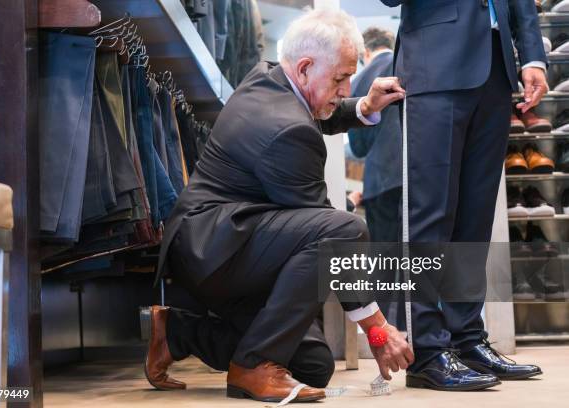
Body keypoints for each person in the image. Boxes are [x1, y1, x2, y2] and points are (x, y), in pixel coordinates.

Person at [146, 9, 412, 403]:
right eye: (341, 79)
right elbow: (333, 241)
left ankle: (178, 333)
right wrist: (377, 328)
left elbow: (315, 107)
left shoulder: (270, 77)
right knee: (344, 228)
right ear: (305, 67)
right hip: (212, 252)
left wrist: (363, 107)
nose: (346, 88)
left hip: (226, 244)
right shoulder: (288, 130)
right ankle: (252, 368)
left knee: (312, 364)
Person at [380, 0, 547, 391]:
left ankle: (466, 338)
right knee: (429, 212)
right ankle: (424, 348)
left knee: (475, 216)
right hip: (435, 63)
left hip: (495, 66)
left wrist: (533, 56)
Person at [347, 27, 404, 329]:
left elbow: (357, 146)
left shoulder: (361, 79)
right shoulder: (407, 62)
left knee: (384, 259)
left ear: (365, 52)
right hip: (417, 171)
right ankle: (424, 330)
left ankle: (385, 333)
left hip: (381, 179)